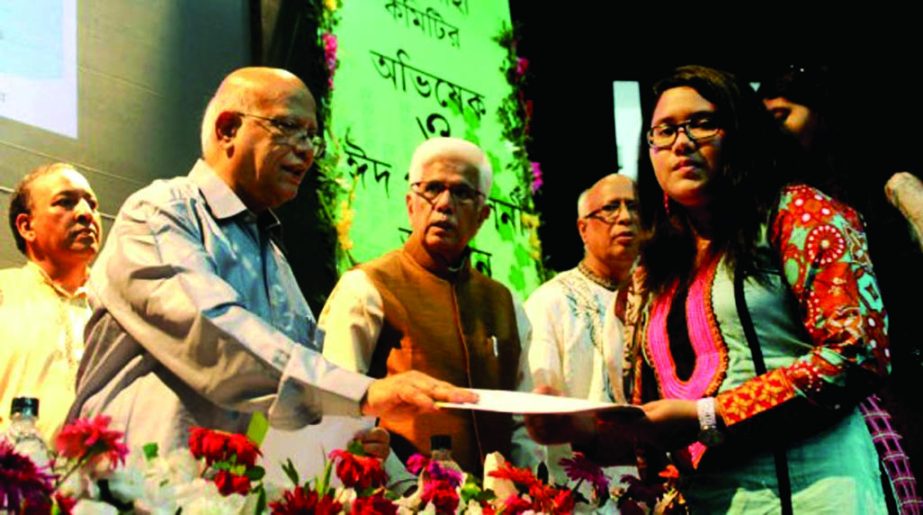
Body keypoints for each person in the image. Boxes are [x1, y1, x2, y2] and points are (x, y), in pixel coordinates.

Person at [526, 65, 890, 513]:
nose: (681, 142)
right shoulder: (648, 273)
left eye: (700, 123)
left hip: (817, 491)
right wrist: (576, 429)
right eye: (664, 131)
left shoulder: (799, 214)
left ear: (740, 130)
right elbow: (652, 428)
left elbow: (856, 354)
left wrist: (709, 415)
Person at [68, 67, 475, 452]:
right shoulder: (159, 211)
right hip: (132, 482)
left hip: (226, 496)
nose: (306, 151)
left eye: (312, 137)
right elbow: (212, 332)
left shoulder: (272, 257)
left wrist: (347, 437)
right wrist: (361, 394)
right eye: (287, 127)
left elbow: (296, 381)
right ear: (228, 129)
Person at [319, 137, 536, 483]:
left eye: (462, 193)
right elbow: (336, 406)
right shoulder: (367, 287)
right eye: (432, 189)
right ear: (410, 204)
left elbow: (523, 422)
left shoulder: (505, 302)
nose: (445, 204)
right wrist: (398, 485)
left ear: (482, 216)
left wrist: (524, 494)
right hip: (399, 498)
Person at [524, 173, 638, 484]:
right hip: (583, 490)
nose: (626, 217)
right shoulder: (549, 301)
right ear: (583, 228)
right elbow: (542, 400)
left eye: (634, 207)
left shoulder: (664, 296)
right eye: (611, 208)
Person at [0, 163, 102, 440]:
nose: (85, 214)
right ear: (26, 226)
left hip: (106, 478)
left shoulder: (117, 308)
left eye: (92, 204)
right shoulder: (4, 292)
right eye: (65, 202)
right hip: (15, 477)